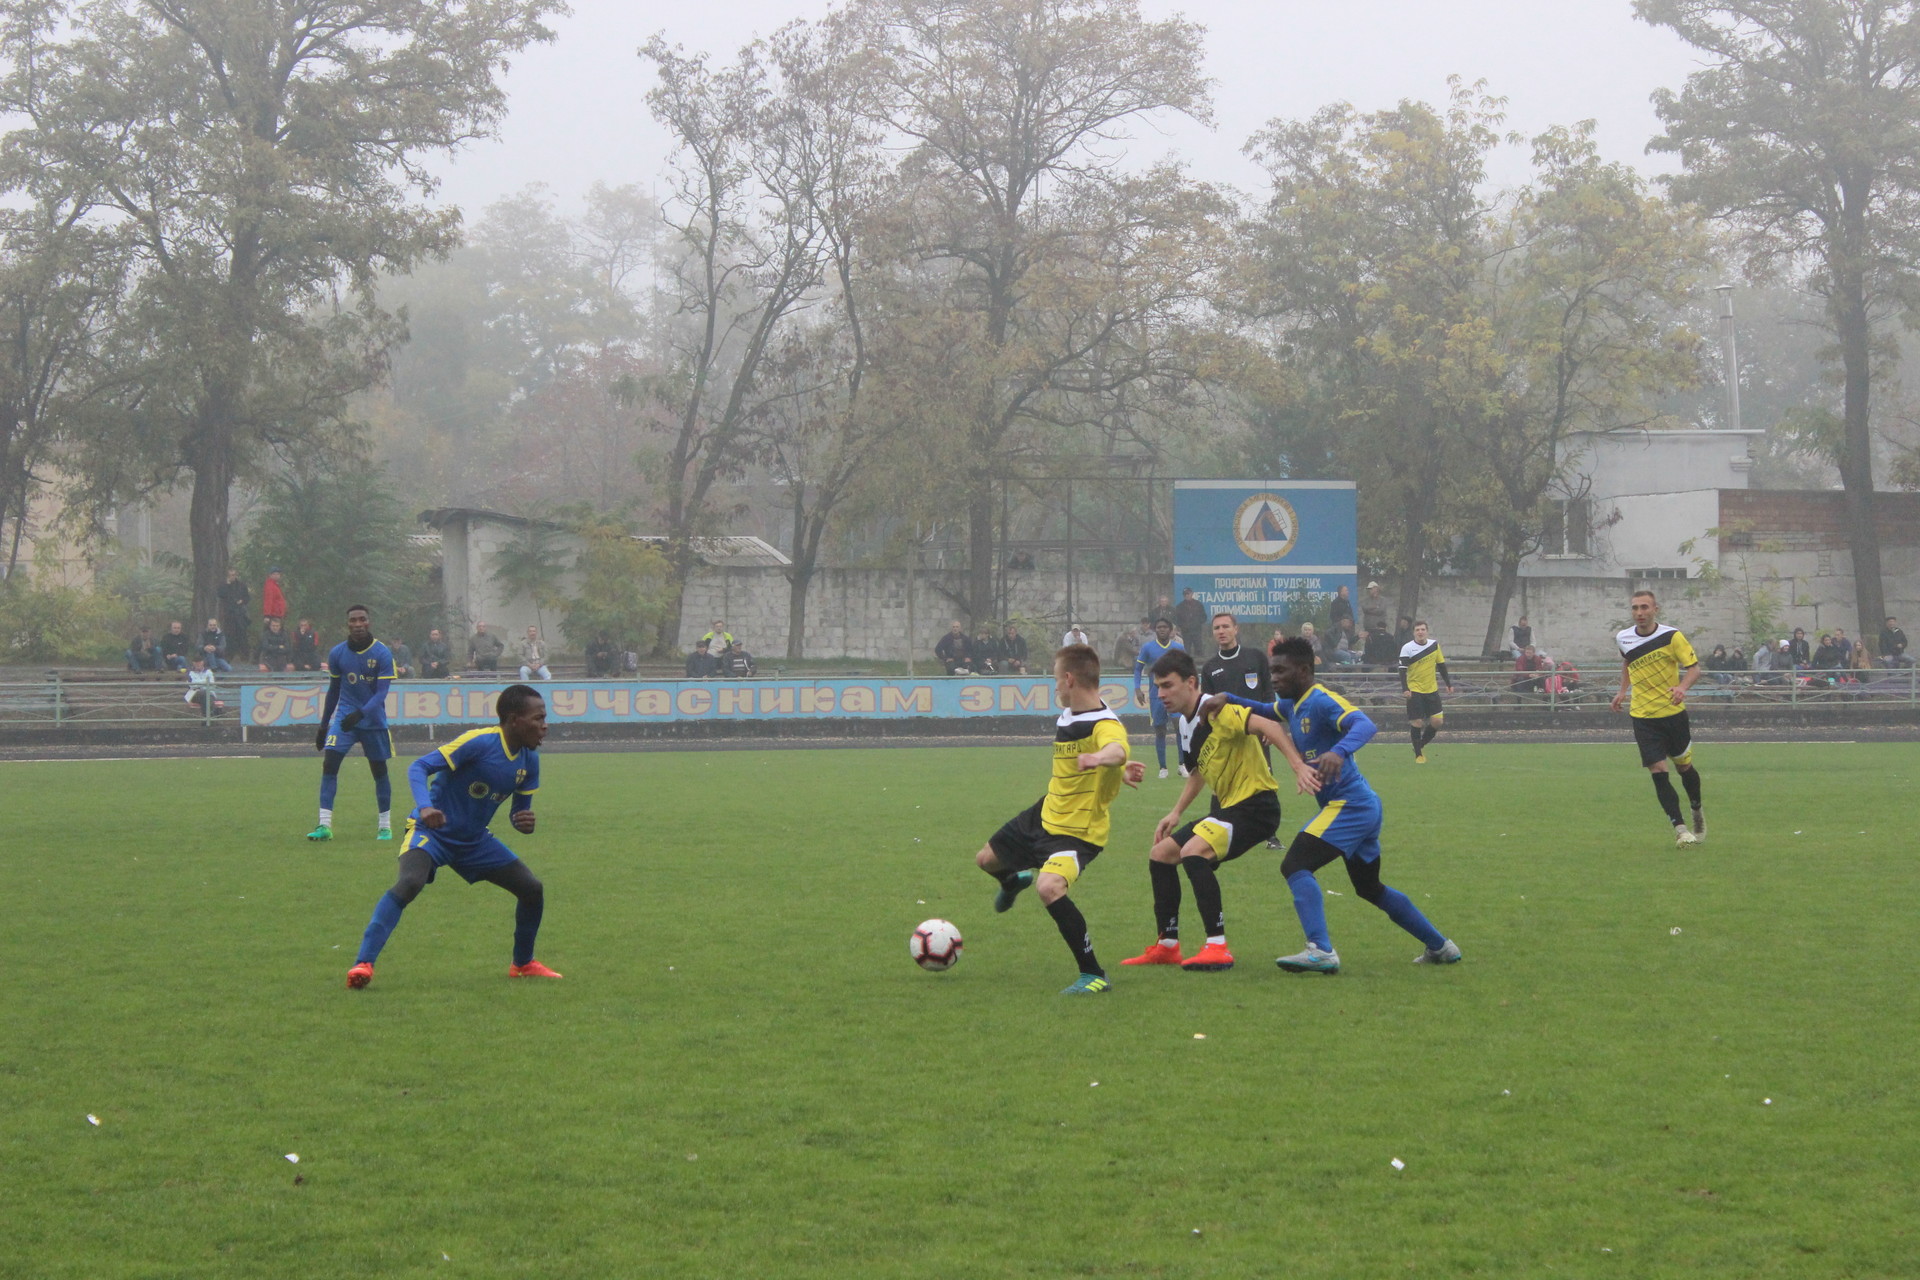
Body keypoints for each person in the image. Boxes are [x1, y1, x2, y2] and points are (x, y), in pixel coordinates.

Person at [1201, 637, 1462, 973]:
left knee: (1294, 865)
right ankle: (1441, 946)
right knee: (1370, 888)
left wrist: (1338, 752)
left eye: (1281, 671)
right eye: (1272, 671)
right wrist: (1229, 698)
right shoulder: (1293, 705)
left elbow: (1365, 724)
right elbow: (1265, 710)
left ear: (1305, 670)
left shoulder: (1321, 700)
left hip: (1350, 805)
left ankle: (1321, 950)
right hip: (1359, 805)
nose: (1275, 678)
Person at [344, 684, 559, 989]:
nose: (545, 726)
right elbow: (419, 767)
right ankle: (363, 964)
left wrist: (521, 820)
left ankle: (523, 964)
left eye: (545, 718)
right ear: (514, 720)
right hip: (432, 832)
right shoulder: (479, 742)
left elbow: (518, 811)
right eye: (538, 718)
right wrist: (425, 807)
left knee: (531, 889)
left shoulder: (529, 761)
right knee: (410, 882)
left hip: (474, 841)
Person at [1119, 647, 1316, 972]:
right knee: (1161, 854)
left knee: (1193, 852)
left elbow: (1269, 726)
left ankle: (1217, 947)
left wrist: (1297, 765)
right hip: (1228, 810)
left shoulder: (1217, 709)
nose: (1160, 693)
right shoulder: (1187, 724)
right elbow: (1199, 772)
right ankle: (1167, 945)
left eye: (1167, 685)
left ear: (1192, 682)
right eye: (1157, 687)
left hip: (1256, 807)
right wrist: (1176, 812)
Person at [971, 642, 1138, 995]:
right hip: (1045, 813)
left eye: (1055, 680)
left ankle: (1093, 974)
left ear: (1069, 679)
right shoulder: (1070, 715)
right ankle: (1012, 881)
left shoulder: (1105, 724)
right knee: (985, 859)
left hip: (1077, 832)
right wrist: (1115, 771)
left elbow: (1117, 746)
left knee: (1049, 887)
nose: (1055, 688)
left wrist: (1105, 760)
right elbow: (1099, 758)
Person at [1610, 590, 1706, 847]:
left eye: (1644, 607)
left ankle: (1696, 809)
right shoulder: (1623, 638)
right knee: (1658, 770)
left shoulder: (1671, 636)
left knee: (1684, 767)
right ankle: (1680, 828)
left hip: (1673, 715)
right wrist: (1622, 692)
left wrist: (1682, 688)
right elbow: (1628, 664)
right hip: (1643, 716)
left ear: (1655, 609)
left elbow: (1694, 669)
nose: (1639, 613)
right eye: (1635, 608)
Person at [306, 605, 398, 843]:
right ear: (347, 624)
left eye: (362, 619)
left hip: (373, 720)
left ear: (369, 622)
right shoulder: (337, 653)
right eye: (353, 620)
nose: (358, 624)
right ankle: (324, 825)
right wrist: (323, 726)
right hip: (345, 719)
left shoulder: (382, 653)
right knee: (330, 764)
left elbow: (381, 693)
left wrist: (361, 713)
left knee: (379, 771)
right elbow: (334, 690)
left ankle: (385, 827)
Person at [1132, 618, 1185, 778]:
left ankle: (1182, 764)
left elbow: (1186, 669)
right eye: (1159, 627)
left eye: (1165, 627)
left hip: (1175, 695)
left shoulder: (1178, 647)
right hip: (1156, 695)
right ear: (1155, 630)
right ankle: (1163, 768)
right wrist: (1137, 688)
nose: (1162, 629)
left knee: (1179, 727)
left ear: (1170, 630)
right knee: (1160, 730)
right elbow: (1138, 668)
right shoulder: (1148, 648)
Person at [1398, 621, 1452, 762]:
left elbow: (1441, 665)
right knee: (1417, 722)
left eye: (1423, 629)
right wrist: (1405, 688)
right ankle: (1418, 755)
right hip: (1415, 690)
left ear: (1427, 631)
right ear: (1414, 632)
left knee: (1437, 722)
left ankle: (1419, 745)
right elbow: (1402, 671)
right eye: (1417, 630)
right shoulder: (1407, 648)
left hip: (1431, 690)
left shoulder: (1434, 645)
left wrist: (1448, 683)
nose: (1420, 632)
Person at [217, 569, 251, 661]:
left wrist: (242, 601)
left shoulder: (241, 585)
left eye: (234, 575)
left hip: (240, 614)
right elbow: (221, 594)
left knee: (242, 634)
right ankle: (229, 654)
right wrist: (227, 585)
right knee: (229, 635)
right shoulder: (224, 585)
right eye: (231, 575)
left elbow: (247, 597)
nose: (233, 577)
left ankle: (244, 655)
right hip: (229, 614)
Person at [1173, 589, 1208, 659]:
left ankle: (1200, 667)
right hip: (1186, 632)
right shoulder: (1180, 606)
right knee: (1186, 650)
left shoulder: (1198, 604)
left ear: (1192, 594)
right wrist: (1182, 626)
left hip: (1196, 631)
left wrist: (1197, 623)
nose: (1187, 595)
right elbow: (1176, 619)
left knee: (1199, 650)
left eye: (1188, 594)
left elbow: (1204, 617)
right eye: (1185, 594)